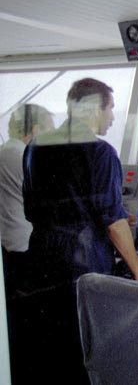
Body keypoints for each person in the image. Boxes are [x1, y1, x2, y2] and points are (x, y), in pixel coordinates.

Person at [15, 78, 138, 384]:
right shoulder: (101, 153)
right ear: (95, 109)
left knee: (49, 352)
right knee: (84, 354)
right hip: (81, 266)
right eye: (111, 109)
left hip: (39, 260)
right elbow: (114, 224)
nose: (113, 117)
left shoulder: (36, 147)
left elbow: (30, 207)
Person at [1, 104, 54, 298]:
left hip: (8, 247)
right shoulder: (25, 157)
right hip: (26, 249)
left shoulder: (5, 151)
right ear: (36, 130)